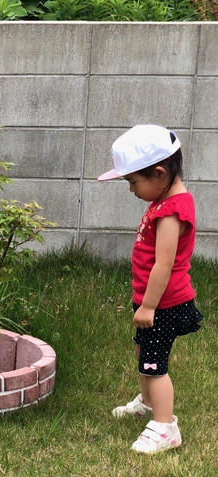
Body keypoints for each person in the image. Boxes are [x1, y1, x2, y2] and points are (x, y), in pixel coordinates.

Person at [98, 124, 203, 455]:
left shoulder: (172, 212)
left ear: (159, 173)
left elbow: (164, 265)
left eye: (133, 181)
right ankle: (147, 403)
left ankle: (165, 425)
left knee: (155, 365)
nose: (131, 189)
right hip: (151, 302)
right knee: (144, 355)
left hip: (163, 304)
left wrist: (148, 307)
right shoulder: (163, 202)